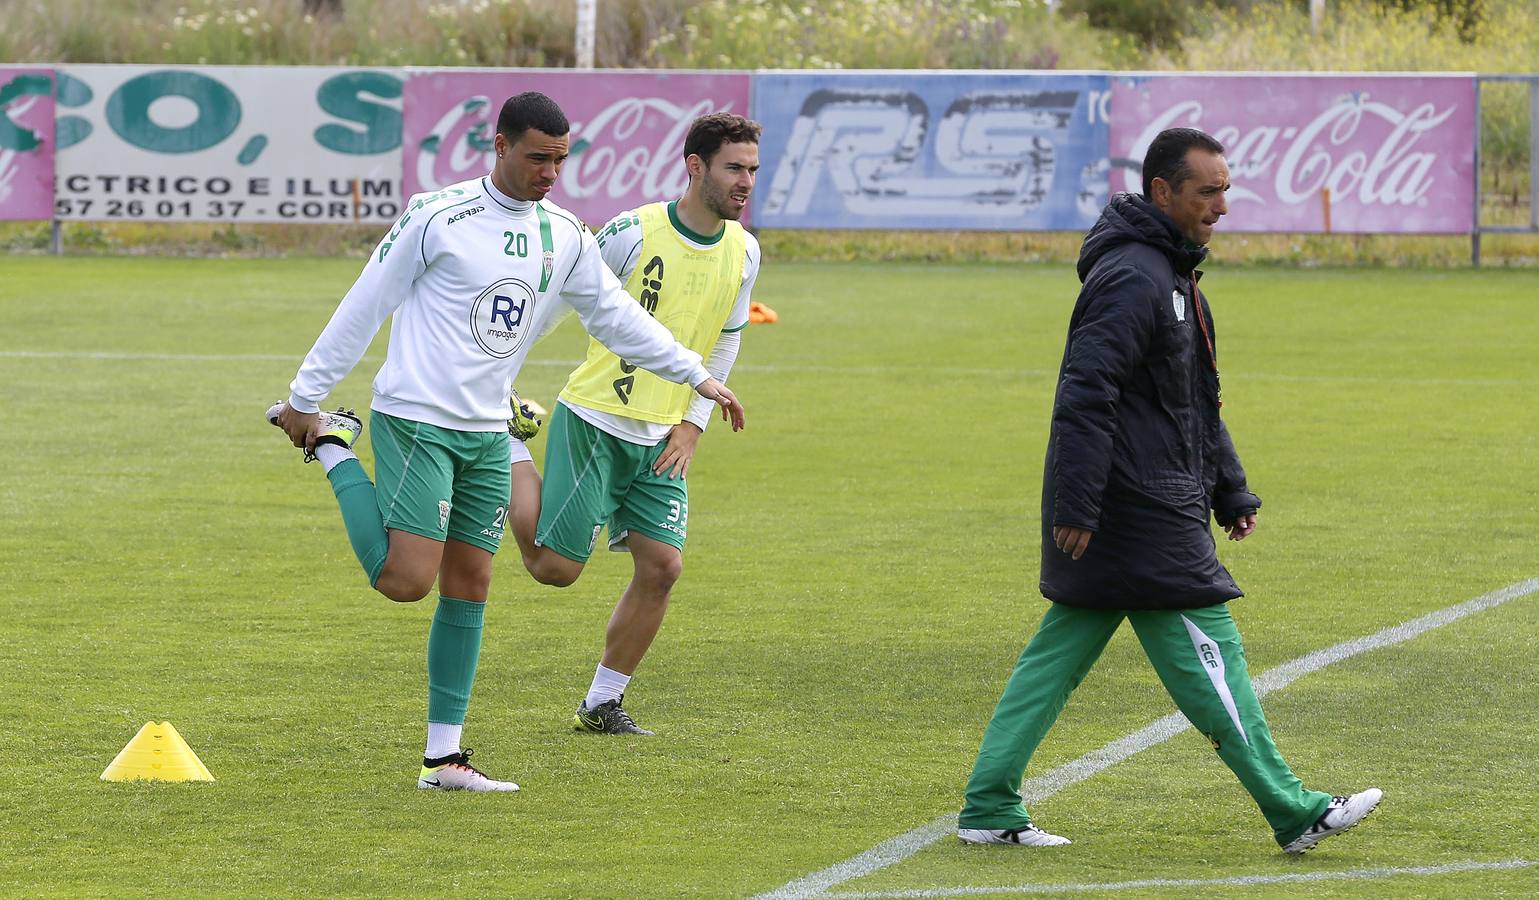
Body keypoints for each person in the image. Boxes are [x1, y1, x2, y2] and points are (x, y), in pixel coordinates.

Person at [265, 92, 744, 792]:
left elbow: (615, 318)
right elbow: (364, 304)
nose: (550, 171)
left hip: (488, 431)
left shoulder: (566, 235)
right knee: (405, 581)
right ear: (498, 146)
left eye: (560, 159)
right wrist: (307, 400)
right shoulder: (437, 216)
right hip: (417, 417)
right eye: (536, 157)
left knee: (472, 583)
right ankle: (335, 445)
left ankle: (443, 759)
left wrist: (696, 378)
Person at [956, 127, 1381, 853]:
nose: (1221, 205)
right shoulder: (1133, 277)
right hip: (1133, 509)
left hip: (1148, 499)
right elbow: (1086, 394)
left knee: (1056, 653)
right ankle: (1292, 807)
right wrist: (1078, 506)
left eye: (1224, 188)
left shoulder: (1172, 274)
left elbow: (1189, 402)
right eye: (1205, 191)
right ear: (1162, 192)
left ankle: (988, 802)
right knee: (1213, 655)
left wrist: (1231, 489)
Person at [505, 112, 762, 736]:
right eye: (734, 168)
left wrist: (693, 424)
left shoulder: (745, 251)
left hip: (665, 434)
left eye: (753, 170)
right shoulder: (630, 232)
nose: (746, 182)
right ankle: (504, 443)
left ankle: (601, 703)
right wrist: (497, 380)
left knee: (663, 567)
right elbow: (557, 305)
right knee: (554, 569)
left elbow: (724, 344)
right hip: (597, 419)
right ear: (695, 166)